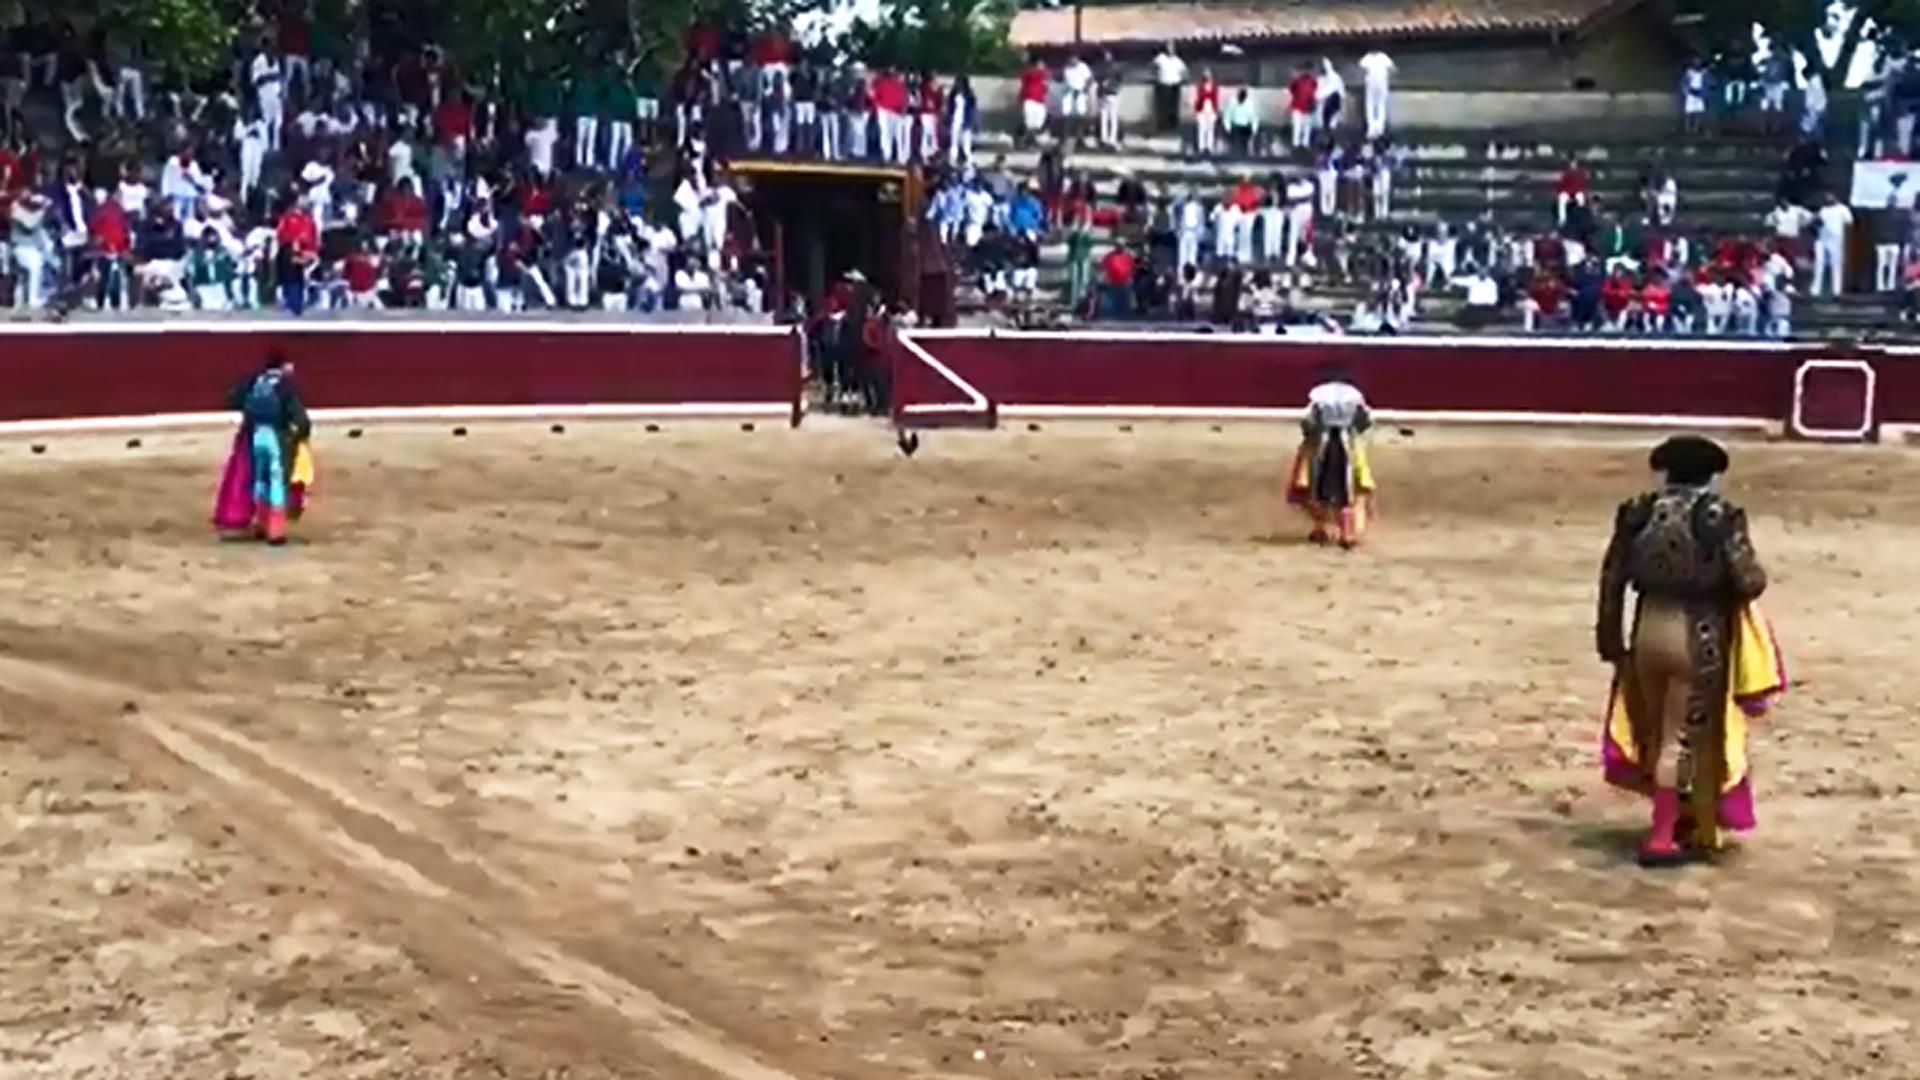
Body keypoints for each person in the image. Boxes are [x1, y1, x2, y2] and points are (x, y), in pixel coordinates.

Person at [1595, 436, 1780, 866]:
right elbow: (1749, 580)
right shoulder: (1719, 516)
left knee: (1656, 730)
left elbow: (1612, 579)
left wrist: (1611, 641)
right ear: (1711, 475)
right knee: (1684, 738)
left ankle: (1674, 819)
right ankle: (1664, 836)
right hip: (1698, 634)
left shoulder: (1637, 511)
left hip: (1647, 629)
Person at [216, 354, 313, 545]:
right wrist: (299, 435)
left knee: (259, 478)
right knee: (276, 480)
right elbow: (301, 419)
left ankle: (261, 523)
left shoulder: (256, 381)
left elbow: (231, 398)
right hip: (275, 438)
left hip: (255, 437)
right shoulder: (285, 386)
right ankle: (275, 531)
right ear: (283, 366)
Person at [1287, 365, 1375, 548]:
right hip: (1346, 443)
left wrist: (1310, 437)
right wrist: (1354, 432)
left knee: (1317, 486)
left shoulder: (1318, 394)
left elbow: (1308, 421)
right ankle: (1346, 533)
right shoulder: (1354, 395)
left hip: (1322, 443)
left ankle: (1321, 528)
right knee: (1347, 488)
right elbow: (1365, 419)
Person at [1813, 192, 1852, 297]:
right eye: (1826, 197)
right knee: (1819, 263)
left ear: (1835, 197)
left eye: (1830, 196)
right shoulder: (1823, 210)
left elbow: (1849, 222)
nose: (1828, 198)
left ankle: (1836, 290)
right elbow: (1817, 223)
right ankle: (1815, 289)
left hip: (1836, 240)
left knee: (1836, 264)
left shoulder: (1842, 209)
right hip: (1822, 239)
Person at [1358, 49, 1394, 140]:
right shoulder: (1375, 57)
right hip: (1377, 82)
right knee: (1377, 104)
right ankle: (1375, 128)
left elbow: (1361, 67)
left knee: (1375, 104)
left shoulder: (1377, 56)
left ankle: (1376, 128)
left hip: (1376, 82)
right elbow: (1392, 68)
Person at [1152, 43, 1187, 136]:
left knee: (1173, 107)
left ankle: (1172, 127)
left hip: (1174, 86)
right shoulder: (1160, 58)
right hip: (1163, 85)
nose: (1170, 50)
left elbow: (1184, 71)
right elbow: (1153, 66)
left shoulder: (1178, 61)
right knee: (1163, 108)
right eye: (1168, 48)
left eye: (1172, 48)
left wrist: (1182, 79)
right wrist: (1156, 76)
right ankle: (1162, 126)